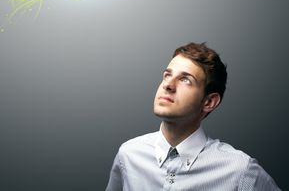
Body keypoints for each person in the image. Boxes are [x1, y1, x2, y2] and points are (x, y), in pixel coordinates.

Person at [106, 42, 281, 191]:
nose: (168, 84)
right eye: (167, 75)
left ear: (209, 102)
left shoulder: (240, 171)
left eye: (185, 80)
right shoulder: (128, 155)